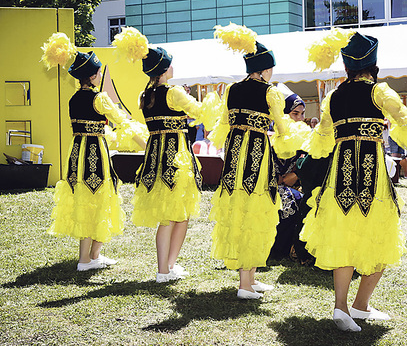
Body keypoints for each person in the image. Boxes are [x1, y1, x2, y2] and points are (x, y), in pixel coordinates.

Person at [301, 31, 407, 332]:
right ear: (373, 64)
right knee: (380, 235)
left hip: (339, 174)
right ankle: (358, 304)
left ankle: (347, 306)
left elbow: (322, 139)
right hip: (371, 174)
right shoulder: (381, 92)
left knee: (344, 236)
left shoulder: (333, 97)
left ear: (348, 65)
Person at [209, 24, 302, 299]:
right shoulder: (270, 92)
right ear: (263, 70)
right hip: (257, 157)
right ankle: (245, 285)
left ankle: (249, 277)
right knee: (256, 211)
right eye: (270, 68)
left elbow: (223, 126)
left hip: (235, 155)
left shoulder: (233, 89)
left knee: (240, 212)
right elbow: (284, 129)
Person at [112, 28, 213, 283]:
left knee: (173, 215)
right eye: (170, 66)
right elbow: (201, 113)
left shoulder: (144, 96)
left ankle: (167, 267)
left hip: (155, 158)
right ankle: (164, 269)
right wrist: (193, 99)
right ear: (165, 69)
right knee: (176, 215)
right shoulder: (174, 92)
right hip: (177, 157)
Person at [43, 33, 146, 271]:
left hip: (77, 152)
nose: (101, 75)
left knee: (84, 198)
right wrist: (146, 145)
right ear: (92, 76)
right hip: (95, 154)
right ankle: (90, 258)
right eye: (99, 72)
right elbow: (123, 122)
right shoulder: (100, 99)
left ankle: (86, 258)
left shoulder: (73, 98)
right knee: (100, 198)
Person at [268, 84, 312, 261]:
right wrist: (279, 179)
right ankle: (279, 250)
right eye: (295, 114)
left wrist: (297, 175)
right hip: (269, 187)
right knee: (292, 200)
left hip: (294, 186)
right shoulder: (271, 135)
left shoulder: (304, 137)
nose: (300, 118)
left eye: (302, 113)